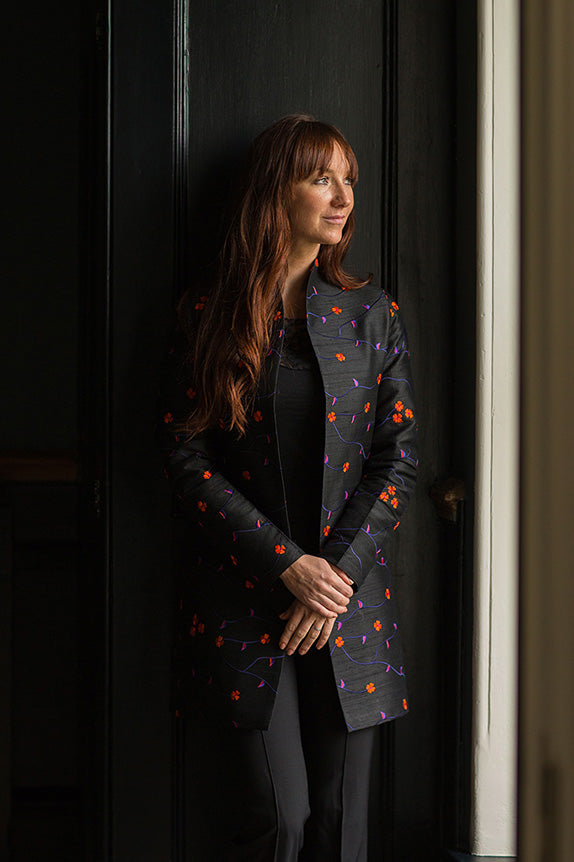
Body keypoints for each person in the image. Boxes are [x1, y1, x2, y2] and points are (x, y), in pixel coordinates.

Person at [157, 114, 418, 862]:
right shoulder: (206, 315)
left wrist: (330, 579)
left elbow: (396, 460)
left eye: (350, 181)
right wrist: (287, 567)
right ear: (277, 191)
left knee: (342, 832)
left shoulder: (375, 314)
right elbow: (183, 456)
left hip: (349, 606)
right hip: (242, 603)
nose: (342, 198)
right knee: (280, 824)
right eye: (321, 178)